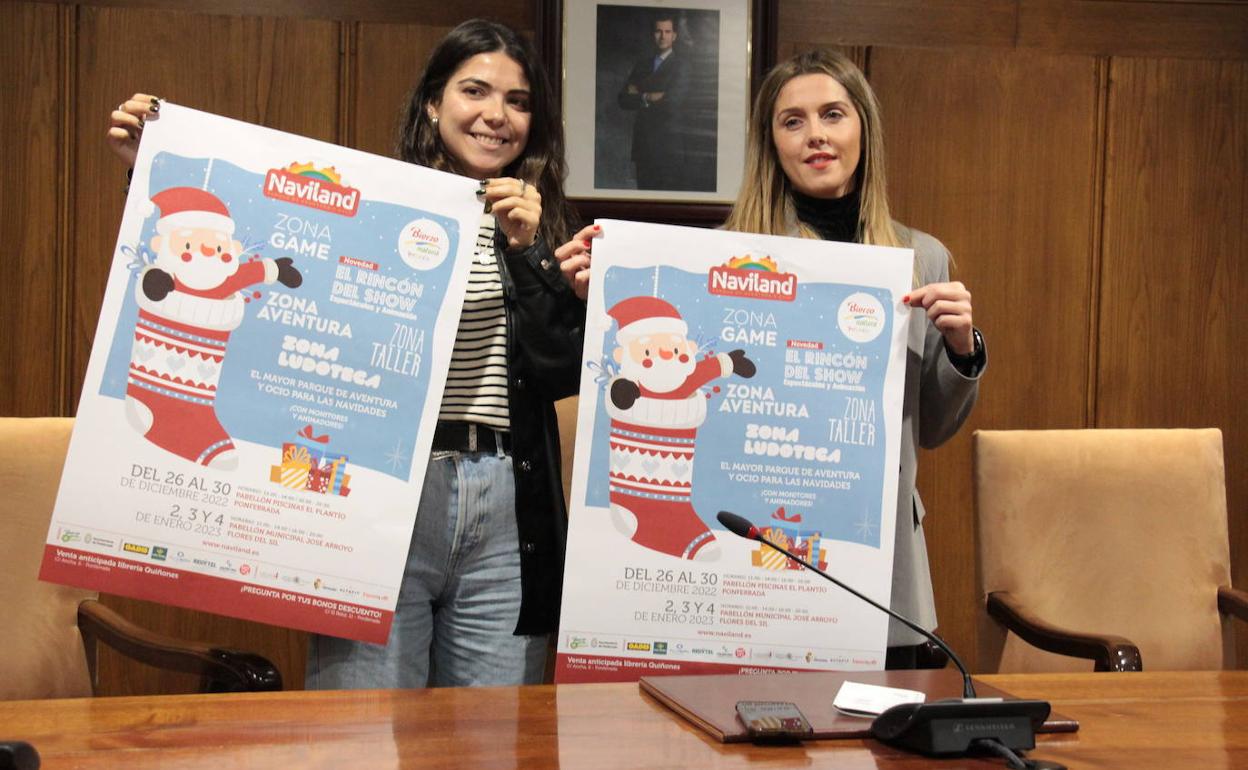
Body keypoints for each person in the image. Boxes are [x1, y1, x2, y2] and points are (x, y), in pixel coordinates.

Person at [107, 19, 596, 688]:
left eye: (517, 101)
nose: (495, 116)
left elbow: (561, 370)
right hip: (381, 496)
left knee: (488, 742)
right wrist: (153, 165)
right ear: (432, 101)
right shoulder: (370, 204)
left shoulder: (544, 224)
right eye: (474, 91)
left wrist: (529, 252)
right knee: (360, 731)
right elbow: (236, 251)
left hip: (507, 502)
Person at [560, 49, 985, 669]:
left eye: (832, 115)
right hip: (743, 575)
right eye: (792, 121)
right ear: (771, 143)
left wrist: (961, 348)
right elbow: (655, 377)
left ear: (862, 128)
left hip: (873, 566)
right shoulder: (717, 258)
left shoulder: (923, 258)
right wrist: (593, 292)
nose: (815, 134)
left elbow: (936, 429)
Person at [617, 14, 690, 190]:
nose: (662, 36)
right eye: (658, 31)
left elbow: (672, 103)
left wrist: (640, 90)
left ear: (674, 36)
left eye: (667, 31)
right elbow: (623, 99)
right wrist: (648, 96)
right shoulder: (643, 65)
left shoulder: (681, 66)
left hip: (668, 146)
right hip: (644, 146)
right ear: (653, 34)